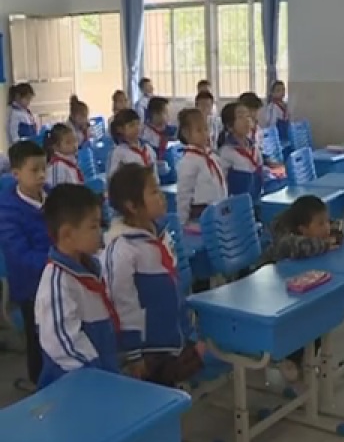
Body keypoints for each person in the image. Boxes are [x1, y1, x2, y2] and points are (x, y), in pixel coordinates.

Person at [103, 163, 204, 387]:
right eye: (154, 192)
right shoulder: (122, 249)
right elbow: (122, 303)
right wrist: (133, 353)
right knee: (157, 393)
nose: (162, 197)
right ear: (132, 206)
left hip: (171, 334)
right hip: (148, 346)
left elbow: (172, 284)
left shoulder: (159, 233)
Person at [35, 184, 119, 388]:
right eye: (93, 226)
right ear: (67, 234)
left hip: (102, 374)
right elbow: (63, 345)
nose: (100, 232)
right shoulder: (57, 284)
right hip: (75, 386)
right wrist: (101, 378)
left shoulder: (90, 267)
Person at [260, 195, 343, 381]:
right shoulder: (286, 241)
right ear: (302, 229)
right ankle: (291, 359)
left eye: (327, 222)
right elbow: (297, 246)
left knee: (320, 314)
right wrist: (325, 244)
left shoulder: (314, 233)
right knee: (303, 318)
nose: (326, 227)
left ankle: (305, 360)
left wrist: (334, 237)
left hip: (299, 288)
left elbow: (335, 233)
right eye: (320, 224)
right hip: (274, 290)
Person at [0, 141, 52, 387]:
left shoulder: (51, 195)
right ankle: (38, 384)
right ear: (16, 174)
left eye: (44, 168)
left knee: (58, 332)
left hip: (57, 276)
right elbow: (20, 256)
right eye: (34, 170)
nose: (41, 175)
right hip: (31, 286)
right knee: (37, 337)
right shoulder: (8, 212)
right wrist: (57, 260)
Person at [176, 108, 227, 225]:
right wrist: (182, 221)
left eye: (205, 129)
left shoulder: (212, 156)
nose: (204, 134)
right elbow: (184, 193)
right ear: (186, 134)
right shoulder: (188, 161)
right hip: (201, 214)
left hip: (218, 209)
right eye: (199, 130)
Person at [218, 102, 263, 202]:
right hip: (237, 204)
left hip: (255, 201)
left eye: (248, 116)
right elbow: (221, 184)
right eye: (240, 117)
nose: (247, 120)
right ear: (229, 126)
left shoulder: (254, 148)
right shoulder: (226, 152)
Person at [107, 109, 158, 181]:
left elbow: (155, 172)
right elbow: (113, 178)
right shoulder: (118, 152)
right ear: (120, 129)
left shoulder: (147, 148)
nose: (137, 128)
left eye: (138, 124)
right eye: (131, 125)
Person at [141, 97, 171, 161]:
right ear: (155, 114)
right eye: (165, 112)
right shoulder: (146, 132)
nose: (168, 115)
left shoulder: (169, 130)